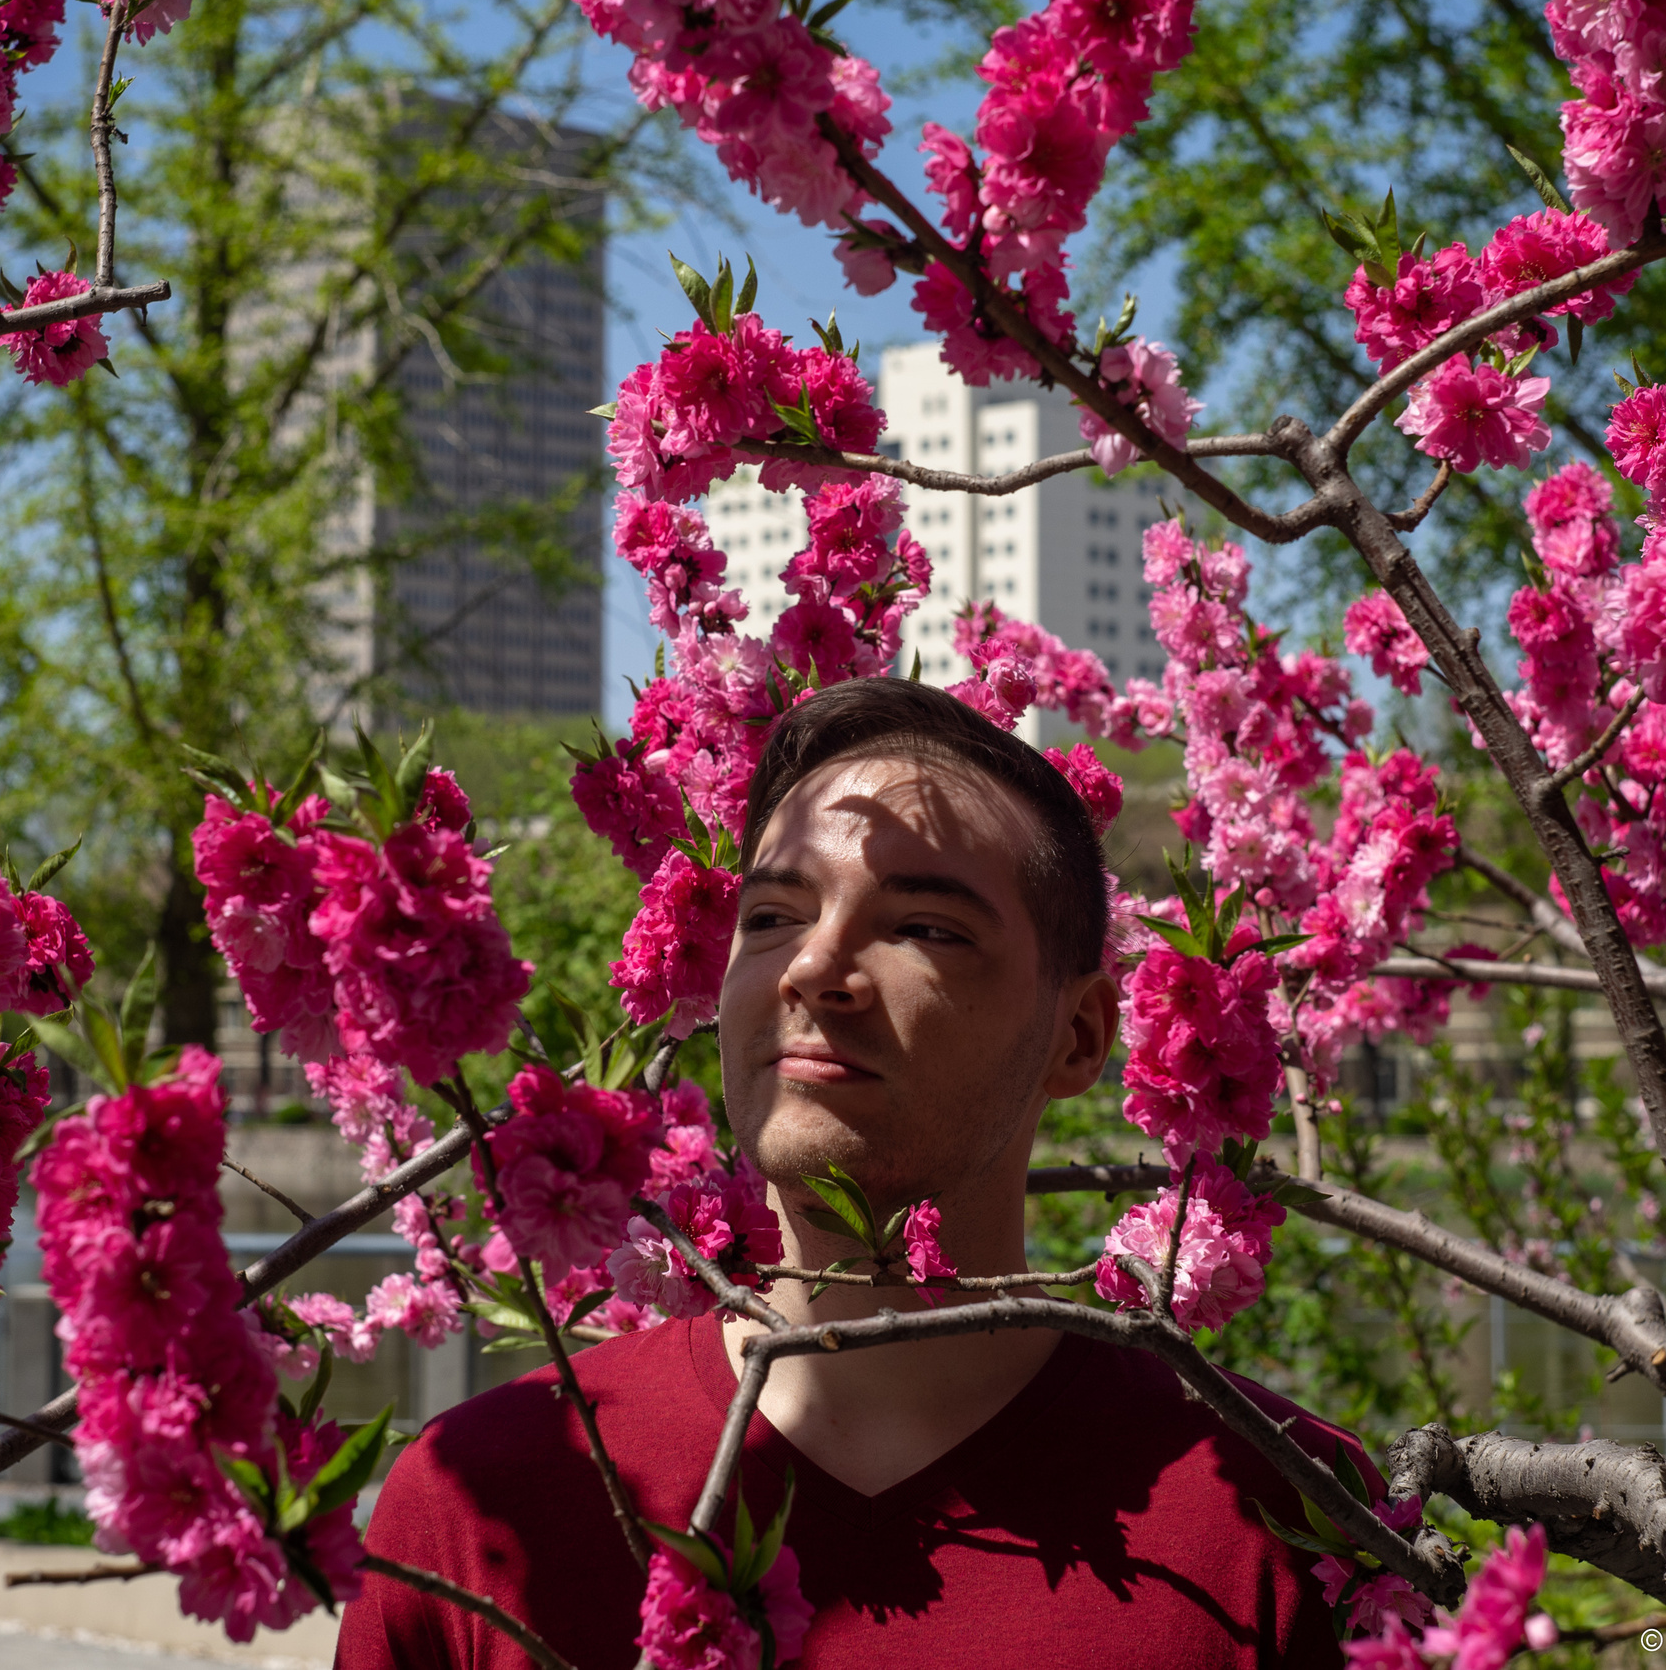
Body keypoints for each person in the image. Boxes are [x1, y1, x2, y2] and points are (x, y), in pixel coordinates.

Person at [337, 678, 1376, 1667]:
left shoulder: (1286, 1513)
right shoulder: (483, 1502)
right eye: (772, 917)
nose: (812, 968)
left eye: (924, 928)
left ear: (1079, 1037)